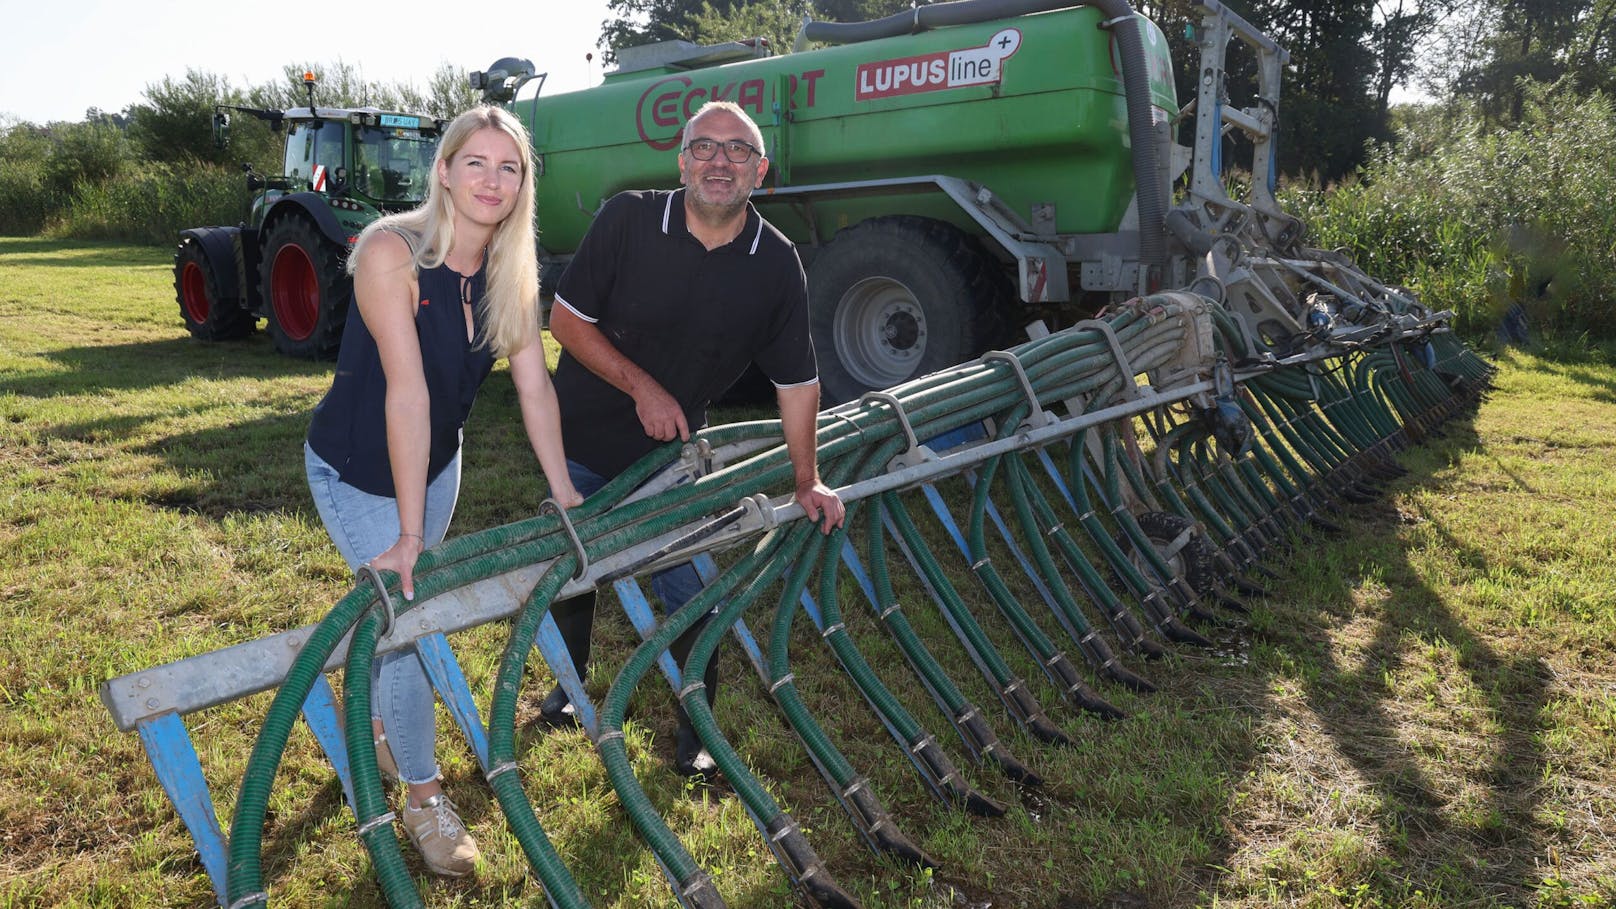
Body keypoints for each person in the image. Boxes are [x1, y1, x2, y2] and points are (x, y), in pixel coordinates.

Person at [303, 105, 581, 877]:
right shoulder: (391, 251)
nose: (493, 181)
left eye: (510, 167)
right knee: (412, 617)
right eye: (477, 163)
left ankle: (371, 723)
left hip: (437, 463)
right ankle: (423, 798)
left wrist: (564, 492)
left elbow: (533, 389)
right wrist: (409, 536)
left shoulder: (509, 271)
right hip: (355, 465)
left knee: (396, 614)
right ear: (446, 170)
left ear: (524, 182)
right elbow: (409, 394)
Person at [543, 100, 845, 778]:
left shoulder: (774, 262)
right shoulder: (626, 219)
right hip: (581, 438)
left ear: (759, 172)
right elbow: (564, 321)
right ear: (681, 161)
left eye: (737, 151)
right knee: (573, 569)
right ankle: (568, 686)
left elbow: (798, 382)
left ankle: (695, 724)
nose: (719, 161)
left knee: (690, 580)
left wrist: (807, 478)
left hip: (672, 453)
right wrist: (641, 386)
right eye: (704, 147)